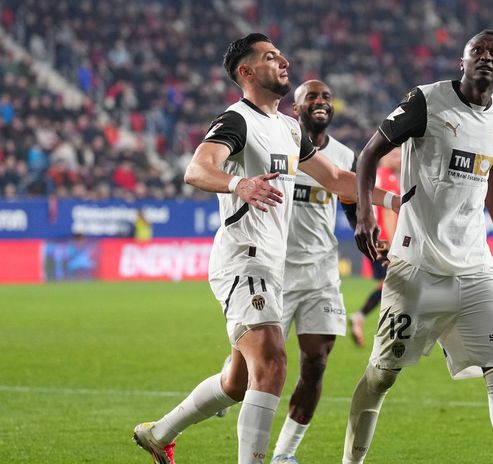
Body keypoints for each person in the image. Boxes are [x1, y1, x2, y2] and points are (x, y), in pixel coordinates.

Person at [131, 33, 399, 464]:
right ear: (247, 72)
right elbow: (197, 169)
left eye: (280, 54)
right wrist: (240, 183)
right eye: (270, 57)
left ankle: (159, 433)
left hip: (272, 267)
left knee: (238, 383)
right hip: (243, 259)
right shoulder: (237, 120)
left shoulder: (289, 127)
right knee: (273, 361)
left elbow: (335, 179)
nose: (284, 61)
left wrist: (392, 199)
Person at [345, 30, 493, 464]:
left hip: (476, 267)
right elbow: (369, 154)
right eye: (477, 51)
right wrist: (365, 214)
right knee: (381, 377)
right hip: (417, 266)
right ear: (461, 62)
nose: (485, 57)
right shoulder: (425, 101)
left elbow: (490, 171)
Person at [266, 79, 357, 464]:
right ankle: (228, 380)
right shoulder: (276, 144)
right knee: (262, 365)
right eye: (311, 98)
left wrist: (370, 238)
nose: (321, 103)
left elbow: (352, 204)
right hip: (277, 271)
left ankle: (284, 454)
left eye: (326, 98)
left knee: (316, 363)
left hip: (321, 272)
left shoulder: (344, 156)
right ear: (295, 108)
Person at [348, 148, 401, 347]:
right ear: (384, 156)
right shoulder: (387, 179)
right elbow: (388, 214)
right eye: (395, 155)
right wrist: (394, 244)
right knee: (394, 286)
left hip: (375, 241)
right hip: (385, 244)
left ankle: (362, 318)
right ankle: (388, 330)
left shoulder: (374, 178)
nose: (400, 159)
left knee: (390, 285)